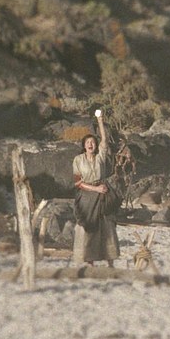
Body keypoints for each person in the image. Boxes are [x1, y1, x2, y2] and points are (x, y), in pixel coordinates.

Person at [72, 111, 120, 267]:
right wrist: (95, 189)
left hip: (103, 194)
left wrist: (100, 120)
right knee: (88, 227)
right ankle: (90, 262)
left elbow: (104, 140)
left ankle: (110, 262)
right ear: (84, 146)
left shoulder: (100, 157)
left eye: (93, 142)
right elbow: (77, 182)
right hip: (86, 197)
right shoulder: (78, 160)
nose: (90, 144)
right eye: (88, 142)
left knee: (107, 227)